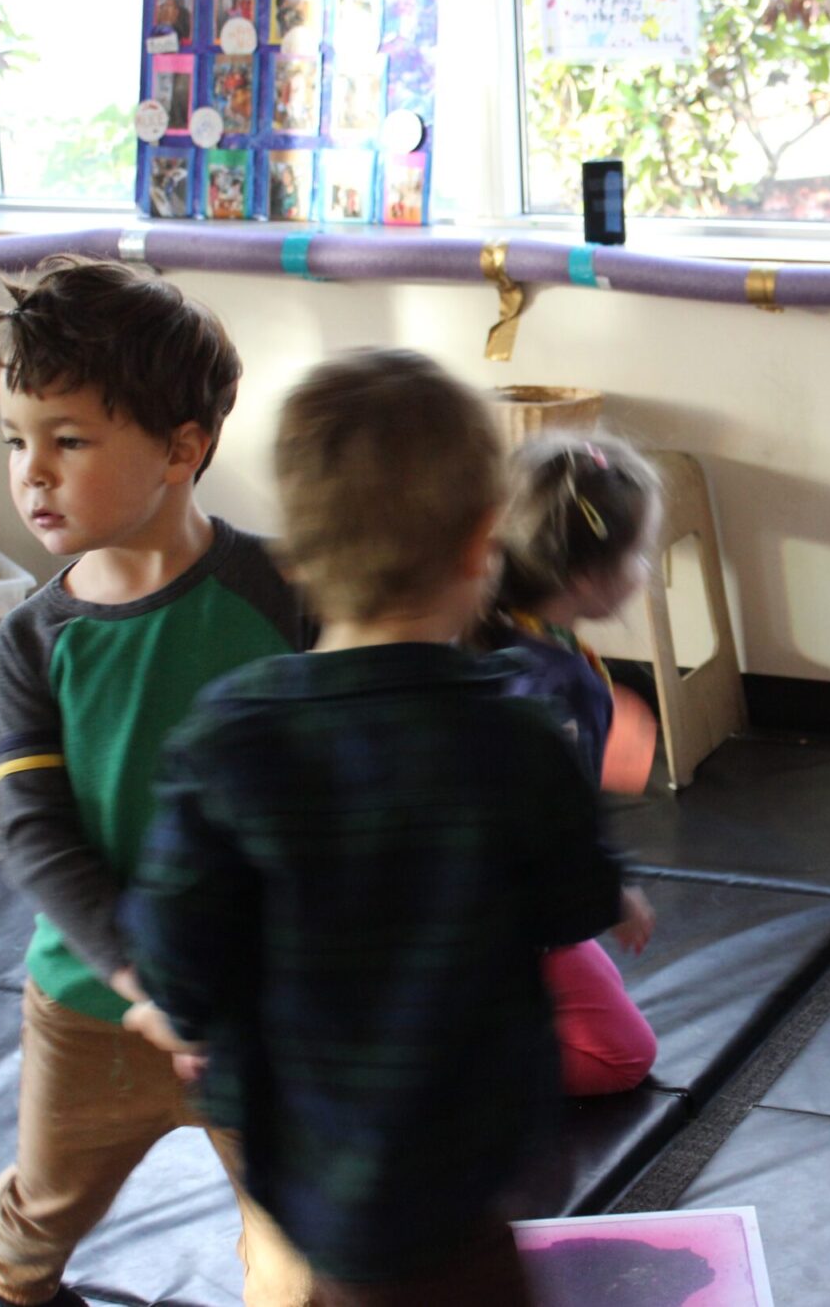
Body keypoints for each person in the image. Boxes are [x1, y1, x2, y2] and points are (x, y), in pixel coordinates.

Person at [124, 349, 625, 1306]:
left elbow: (179, 935)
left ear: (296, 555)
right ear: (484, 543)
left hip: (306, 1153)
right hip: (470, 1157)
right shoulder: (515, 730)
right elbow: (576, 901)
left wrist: (177, 1010)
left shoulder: (230, 733)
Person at [0, 256, 313, 1307]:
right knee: (47, 1211)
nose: (33, 474)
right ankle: (9, 1262)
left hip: (259, 998)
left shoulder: (284, 595)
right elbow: (37, 836)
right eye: (16, 442)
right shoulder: (35, 640)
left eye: (68, 441)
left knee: (302, 1239)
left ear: (181, 449)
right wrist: (140, 972)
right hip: (92, 1002)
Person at [479, 431, 663, 1097]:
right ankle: (456, 1068)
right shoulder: (541, 684)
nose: (645, 569)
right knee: (624, 1055)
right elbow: (545, 822)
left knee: (601, 976)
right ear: (588, 578)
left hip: (509, 895)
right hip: (494, 915)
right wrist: (607, 891)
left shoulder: (531, 637)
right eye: (638, 554)